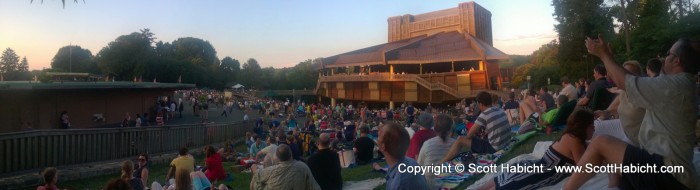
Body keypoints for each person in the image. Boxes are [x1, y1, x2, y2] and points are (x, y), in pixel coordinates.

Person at [563, 37, 699, 190]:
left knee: (601, 143)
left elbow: (626, 81)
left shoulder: (673, 86)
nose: (664, 57)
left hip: (668, 173)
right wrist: (610, 58)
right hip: (667, 170)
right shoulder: (679, 84)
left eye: (668, 53)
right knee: (618, 165)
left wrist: (603, 56)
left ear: (677, 61)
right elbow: (629, 79)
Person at [479, 109, 594, 190]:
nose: (594, 129)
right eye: (591, 126)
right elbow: (583, 169)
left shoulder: (568, 135)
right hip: (540, 174)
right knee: (505, 185)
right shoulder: (575, 141)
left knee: (501, 179)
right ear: (583, 127)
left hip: (531, 166)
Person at [441, 92, 512, 163]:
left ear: (480, 104)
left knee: (460, 139)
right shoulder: (499, 110)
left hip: (494, 148)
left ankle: (442, 162)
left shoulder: (484, 114)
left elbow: (469, 135)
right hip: (506, 142)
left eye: (478, 104)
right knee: (478, 138)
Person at [379, 122, 428, 190]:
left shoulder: (399, 183)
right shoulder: (412, 163)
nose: (377, 139)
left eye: (379, 136)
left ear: (383, 146)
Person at [250, 144, 321, 190]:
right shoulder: (303, 166)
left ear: (277, 157)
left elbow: (257, 174)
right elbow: (314, 187)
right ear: (291, 154)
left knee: (255, 182)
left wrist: (254, 166)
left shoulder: (271, 171)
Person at [417, 114, 456, 188]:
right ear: (450, 128)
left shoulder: (427, 144)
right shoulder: (455, 144)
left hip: (429, 183)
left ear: (435, 128)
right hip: (451, 182)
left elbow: (419, 165)